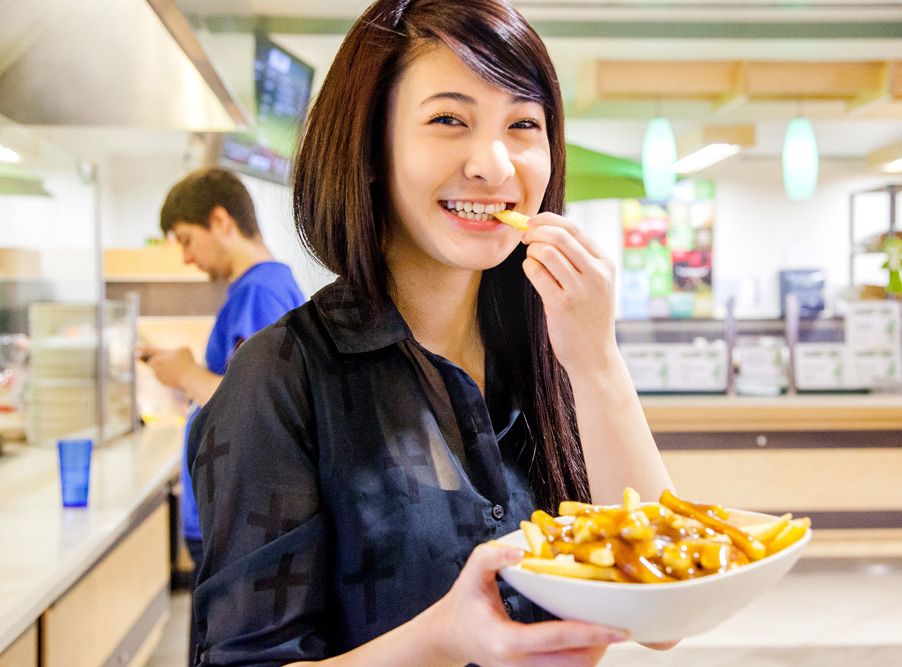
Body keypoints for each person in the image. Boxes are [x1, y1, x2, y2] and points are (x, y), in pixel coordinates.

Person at [187, 0, 674, 664]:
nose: (495, 165)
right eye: (450, 119)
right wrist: (442, 639)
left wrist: (597, 360)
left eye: (523, 123)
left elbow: (661, 609)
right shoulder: (282, 378)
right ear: (370, 146)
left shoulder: (548, 353)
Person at [138, 166, 306, 667]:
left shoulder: (262, 292)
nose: (187, 257)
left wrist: (189, 374)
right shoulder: (253, 291)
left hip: (237, 516)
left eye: (187, 240)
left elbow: (264, 410)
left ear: (219, 220)